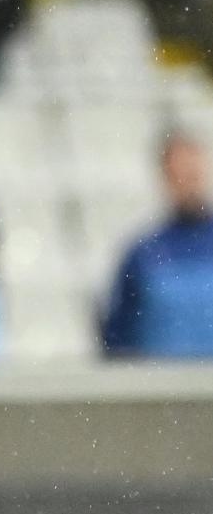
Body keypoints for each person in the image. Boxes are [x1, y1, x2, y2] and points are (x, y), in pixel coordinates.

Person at [100, 132, 213, 358]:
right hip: (162, 389)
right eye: (178, 175)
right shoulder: (143, 254)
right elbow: (116, 335)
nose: (187, 184)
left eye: (192, 174)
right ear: (165, 177)